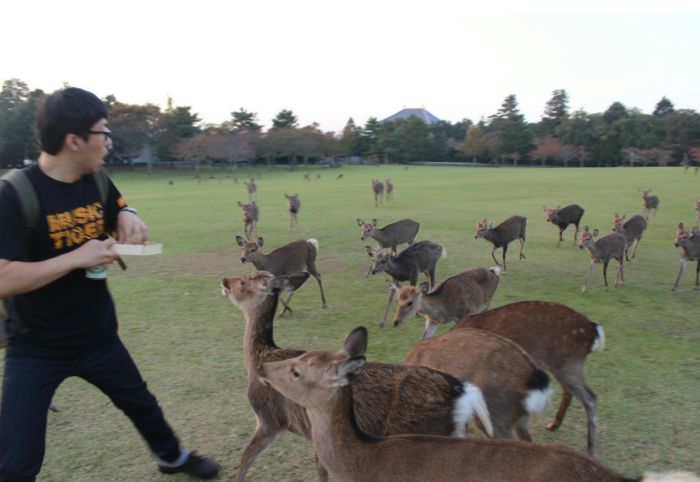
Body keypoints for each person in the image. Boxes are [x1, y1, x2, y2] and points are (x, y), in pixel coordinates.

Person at [0, 87, 219, 481]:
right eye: (103, 132)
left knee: (141, 404)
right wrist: (75, 258)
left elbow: (117, 206)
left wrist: (129, 214)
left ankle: (172, 458)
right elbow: (3, 277)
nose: (108, 141)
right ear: (74, 140)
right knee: (17, 459)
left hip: (97, 335)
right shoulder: (15, 194)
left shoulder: (96, 179)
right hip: (34, 346)